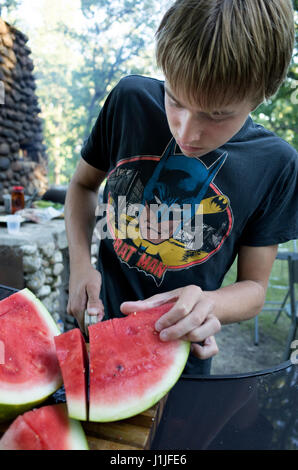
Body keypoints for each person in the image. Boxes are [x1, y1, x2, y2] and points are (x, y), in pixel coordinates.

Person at [65, 0, 298, 375]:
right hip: (96, 328)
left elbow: (254, 288)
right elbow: (82, 185)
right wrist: (80, 266)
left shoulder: (276, 163)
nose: (186, 132)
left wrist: (209, 303)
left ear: (262, 93)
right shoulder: (129, 101)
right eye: (174, 99)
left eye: (217, 115)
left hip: (181, 358)